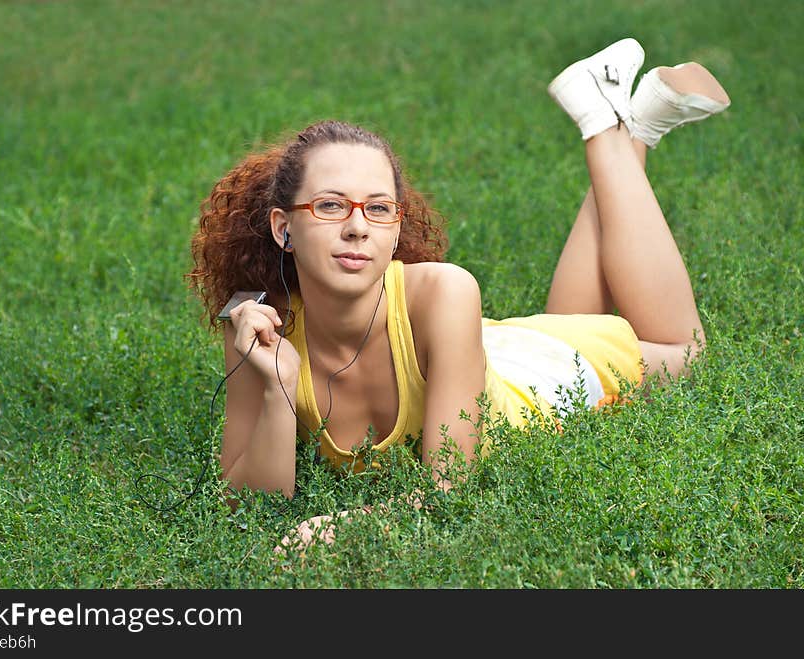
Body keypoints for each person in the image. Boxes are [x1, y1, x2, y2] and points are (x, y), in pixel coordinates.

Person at [188, 37, 730, 546]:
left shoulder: (444, 290)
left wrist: (350, 529)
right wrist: (278, 390)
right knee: (565, 318)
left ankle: (610, 129)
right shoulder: (261, 324)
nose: (357, 227)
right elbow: (249, 506)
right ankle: (629, 127)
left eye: (378, 208)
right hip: (489, 353)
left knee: (686, 353)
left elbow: (450, 489)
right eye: (330, 205)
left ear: (396, 230)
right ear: (284, 228)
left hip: (539, 383)